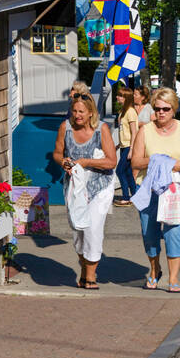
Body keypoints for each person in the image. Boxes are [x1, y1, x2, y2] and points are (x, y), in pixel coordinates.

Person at [131, 87, 180, 292]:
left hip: (175, 187)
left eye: (166, 109)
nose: (161, 112)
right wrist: (158, 162)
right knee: (149, 233)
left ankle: (173, 278)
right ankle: (154, 270)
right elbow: (135, 161)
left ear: (174, 109)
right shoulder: (145, 130)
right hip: (149, 189)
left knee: (173, 232)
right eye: (157, 108)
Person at [53, 90, 117, 288]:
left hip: (100, 186)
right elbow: (57, 153)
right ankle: (84, 268)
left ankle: (91, 275)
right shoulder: (65, 128)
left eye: (82, 112)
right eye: (74, 111)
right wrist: (63, 161)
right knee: (78, 230)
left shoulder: (101, 129)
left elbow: (111, 161)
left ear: (91, 113)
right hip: (75, 187)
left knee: (92, 228)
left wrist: (85, 161)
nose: (78, 115)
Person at [114, 84, 139, 205]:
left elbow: (134, 132)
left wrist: (131, 149)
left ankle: (126, 197)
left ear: (126, 98)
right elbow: (124, 131)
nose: (117, 97)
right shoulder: (123, 111)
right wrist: (119, 145)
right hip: (124, 146)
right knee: (128, 173)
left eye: (120, 96)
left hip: (130, 146)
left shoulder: (131, 112)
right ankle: (135, 196)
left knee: (120, 171)